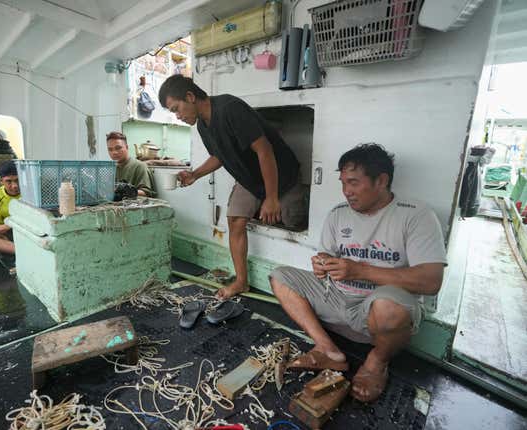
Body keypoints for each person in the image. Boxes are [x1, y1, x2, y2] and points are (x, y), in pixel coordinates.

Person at [269, 143, 447, 403]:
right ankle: (328, 350)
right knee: (280, 277)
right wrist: (323, 264)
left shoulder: (416, 215)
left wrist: (360, 270)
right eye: (343, 183)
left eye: (353, 182)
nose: (346, 192)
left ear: (381, 180)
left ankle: (376, 361)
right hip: (337, 299)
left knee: (388, 307)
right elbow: (326, 256)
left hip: (376, 311)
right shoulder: (338, 214)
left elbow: (431, 281)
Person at [159, 74, 307, 299]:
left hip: (282, 176)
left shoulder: (230, 108)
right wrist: (194, 175)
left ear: (190, 97)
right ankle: (241, 282)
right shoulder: (203, 126)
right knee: (235, 219)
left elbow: (264, 150)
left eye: (176, 109)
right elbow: (219, 156)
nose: (178, 116)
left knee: (290, 222)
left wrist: (272, 197)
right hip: (249, 179)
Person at [106, 131, 156, 197]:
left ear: (126, 147)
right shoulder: (110, 168)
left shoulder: (139, 166)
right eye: (110, 149)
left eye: (118, 148)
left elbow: (146, 193)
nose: (114, 152)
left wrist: (127, 191)